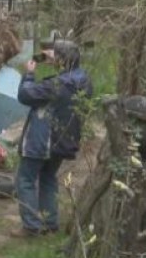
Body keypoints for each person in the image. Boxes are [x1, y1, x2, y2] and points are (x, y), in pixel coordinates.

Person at [10, 39, 92, 237]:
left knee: (26, 180)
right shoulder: (84, 79)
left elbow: (25, 95)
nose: (49, 56)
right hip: (63, 140)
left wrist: (29, 74)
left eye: (54, 54)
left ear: (63, 59)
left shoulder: (57, 84)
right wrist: (55, 62)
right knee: (48, 179)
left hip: (42, 139)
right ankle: (50, 224)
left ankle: (30, 226)